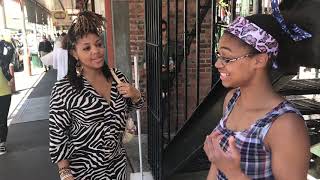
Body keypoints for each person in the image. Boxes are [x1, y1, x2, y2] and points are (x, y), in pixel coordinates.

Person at [203, 0, 316, 179]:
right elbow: (216, 168)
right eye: (219, 55)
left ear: (260, 60)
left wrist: (234, 173)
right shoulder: (232, 99)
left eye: (227, 58)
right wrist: (219, 163)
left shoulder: (285, 125)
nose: (218, 64)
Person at [49, 11, 144, 180]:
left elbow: (134, 106)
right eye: (87, 48)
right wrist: (65, 173)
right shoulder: (64, 89)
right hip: (84, 173)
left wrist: (136, 94)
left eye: (99, 44)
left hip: (118, 169)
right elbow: (58, 135)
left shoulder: (117, 77)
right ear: (74, 53)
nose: (96, 51)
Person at [0, 37, 14, 155]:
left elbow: (11, 47)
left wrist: (3, 42)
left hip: (4, 93)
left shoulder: (4, 60)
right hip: (4, 93)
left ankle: (2, 143)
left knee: (2, 120)